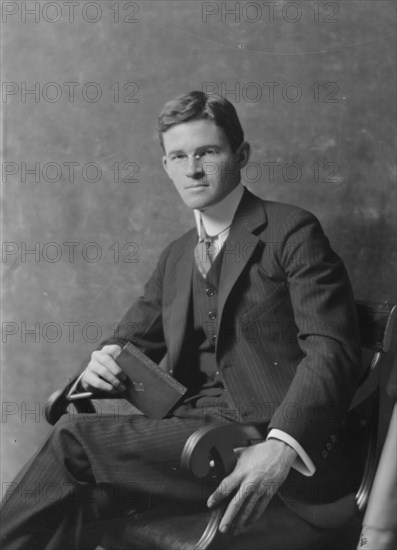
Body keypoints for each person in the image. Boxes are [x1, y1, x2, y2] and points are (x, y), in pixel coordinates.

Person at [0, 91, 362, 550]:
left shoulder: (291, 230)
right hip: (193, 434)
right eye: (178, 156)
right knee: (76, 504)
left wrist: (281, 446)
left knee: (74, 438)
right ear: (166, 166)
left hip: (259, 442)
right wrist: (102, 362)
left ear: (241, 155)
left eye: (207, 153)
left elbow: (331, 350)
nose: (192, 169)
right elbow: (129, 338)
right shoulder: (175, 256)